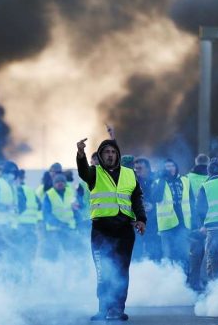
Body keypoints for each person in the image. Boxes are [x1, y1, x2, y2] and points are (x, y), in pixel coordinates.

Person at [77, 138, 146, 322]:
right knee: (103, 270)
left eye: (113, 152)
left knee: (122, 271)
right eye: (106, 152)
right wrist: (81, 154)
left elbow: (137, 198)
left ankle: (117, 309)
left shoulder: (130, 174)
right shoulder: (94, 173)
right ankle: (103, 309)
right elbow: (83, 172)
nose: (110, 155)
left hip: (124, 230)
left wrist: (141, 219)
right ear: (100, 155)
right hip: (101, 230)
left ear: (118, 155)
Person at [151, 159, 194, 270]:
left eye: (172, 166)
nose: (170, 168)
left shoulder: (185, 180)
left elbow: (192, 201)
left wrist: (195, 222)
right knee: (168, 257)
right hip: (167, 225)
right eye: (167, 166)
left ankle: (185, 281)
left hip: (183, 224)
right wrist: (161, 179)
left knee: (184, 254)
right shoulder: (158, 182)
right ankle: (169, 282)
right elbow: (156, 198)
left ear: (176, 168)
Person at [0, 161, 20, 269]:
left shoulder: (12, 186)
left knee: (7, 254)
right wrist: (5, 208)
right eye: (11, 172)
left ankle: (4, 277)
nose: (13, 175)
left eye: (14, 173)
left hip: (8, 225)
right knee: (0, 253)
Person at [185, 154, 210, 291]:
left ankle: (193, 281)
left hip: (192, 220)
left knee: (194, 251)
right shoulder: (210, 178)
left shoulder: (188, 178)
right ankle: (206, 283)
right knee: (210, 253)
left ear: (196, 161)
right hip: (210, 219)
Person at [41, 173, 79, 260]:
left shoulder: (71, 192)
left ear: (65, 183)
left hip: (69, 228)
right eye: (57, 182)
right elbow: (46, 214)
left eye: (62, 181)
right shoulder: (49, 195)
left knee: (71, 253)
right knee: (53, 254)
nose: (60, 183)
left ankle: (71, 270)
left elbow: (76, 210)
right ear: (53, 184)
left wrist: (78, 223)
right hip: (54, 230)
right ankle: (54, 271)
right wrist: (59, 224)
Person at [132, 157, 162, 262]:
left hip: (154, 221)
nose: (137, 171)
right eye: (136, 168)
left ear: (148, 168)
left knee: (154, 248)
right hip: (138, 221)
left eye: (140, 168)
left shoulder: (156, 180)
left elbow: (161, 197)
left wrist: (153, 205)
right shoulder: (133, 181)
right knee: (137, 248)